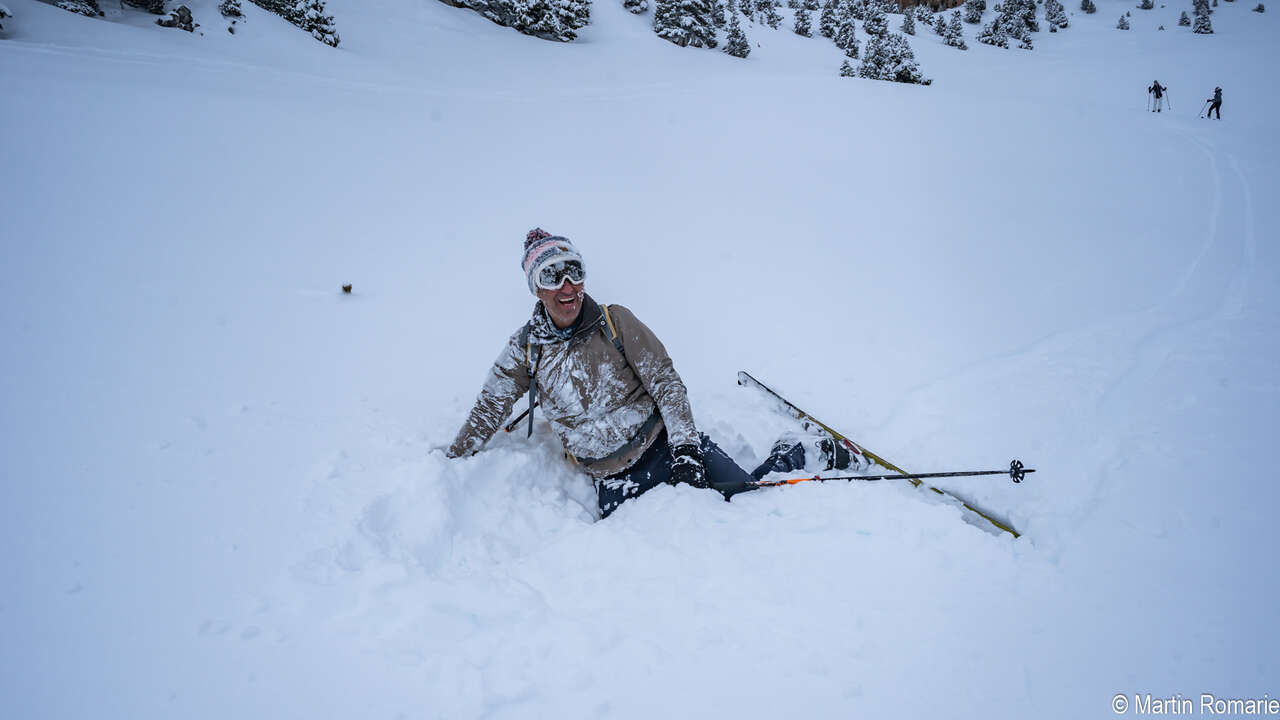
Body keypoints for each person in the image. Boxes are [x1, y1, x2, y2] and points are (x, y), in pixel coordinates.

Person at [447, 228, 858, 518]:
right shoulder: (526, 349)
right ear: (536, 288)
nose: (568, 287)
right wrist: (450, 462)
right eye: (552, 277)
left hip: (665, 447)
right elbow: (489, 407)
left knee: (751, 500)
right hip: (614, 484)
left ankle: (803, 451)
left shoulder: (615, 321)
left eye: (574, 271)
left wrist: (684, 449)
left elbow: (665, 381)